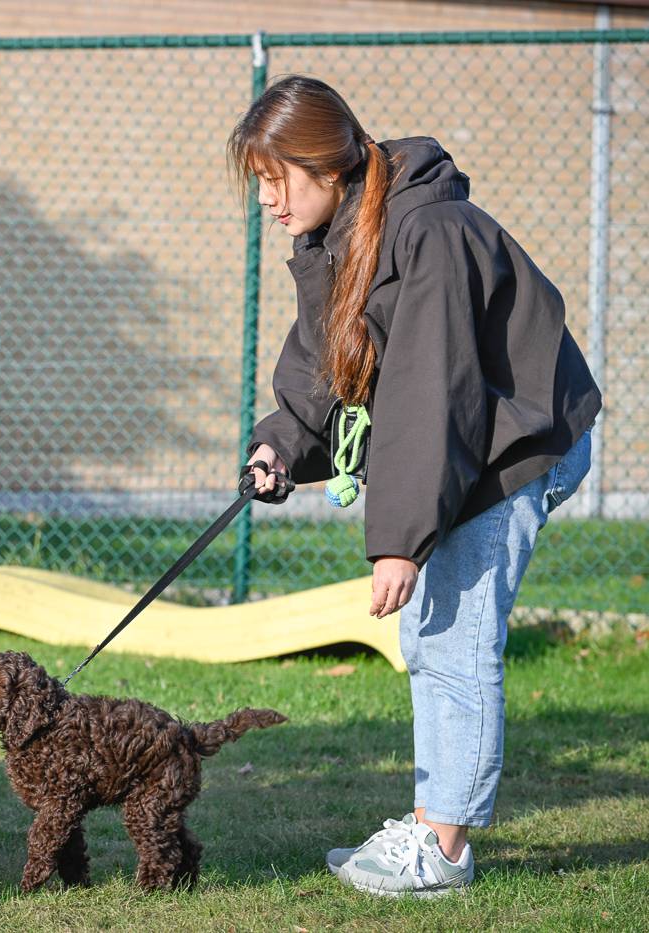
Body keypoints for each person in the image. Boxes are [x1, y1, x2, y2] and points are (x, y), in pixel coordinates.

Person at [228, 76, 600, 897]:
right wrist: (281, 444)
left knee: (453, 635)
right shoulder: (342, 234)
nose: (266, 201)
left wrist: (399, 539)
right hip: (467, 435)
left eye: (274, 180)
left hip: (514, 438)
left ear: (326, 165)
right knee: (430, 638)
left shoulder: (429, 231)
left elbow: (430, 394)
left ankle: (445, 850)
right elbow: (325, 364)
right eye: (258, 183)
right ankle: (434, 821)